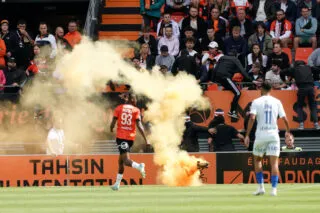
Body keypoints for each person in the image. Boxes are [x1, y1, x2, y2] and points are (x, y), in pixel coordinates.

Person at [244, 82, 291, 196]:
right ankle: (274, 190)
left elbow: (252, 118)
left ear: (261, 89)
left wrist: (247, 135)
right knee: (274, 163)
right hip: (274, 135)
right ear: (271, 89)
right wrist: (288, 132)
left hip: (261, 135)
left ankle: (261, 188)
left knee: (257, 160)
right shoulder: (277, 101)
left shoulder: (256, 101)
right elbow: (285, 119)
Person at [110, 93, 150, 191]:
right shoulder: (136, 110)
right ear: (132, 100)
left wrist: (111, 128)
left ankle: (139, 166)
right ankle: (117, 184)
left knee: (126, 161)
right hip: (130, 138)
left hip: (121, 137)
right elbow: (139, 126)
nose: (136, 102)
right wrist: (146, 139)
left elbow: (113, 121)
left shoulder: (119, 108)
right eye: (135, 100)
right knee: (120, 162)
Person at [286, 61, 320, 130]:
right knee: (313, 106)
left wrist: (285, 80)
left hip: (301, 88)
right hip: (311, 88)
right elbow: (318, 69)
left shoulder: (294, 69)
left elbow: (283, 72)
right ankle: (316, 125)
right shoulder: (309, 67)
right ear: (304, 64)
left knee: (299, 106)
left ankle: (301, 125)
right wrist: (315, 77)